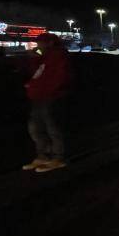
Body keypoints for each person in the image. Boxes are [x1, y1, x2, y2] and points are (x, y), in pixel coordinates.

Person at [22, 33, 72, 173]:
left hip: (50, 97)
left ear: (50, 43)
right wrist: (35, 56)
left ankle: (58, 157)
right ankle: (42, 155)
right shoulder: (44, 56)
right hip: (38, 97)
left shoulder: (59, 56)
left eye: (41, 43)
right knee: (36, 128)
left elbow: (61, 77)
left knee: (52, 127)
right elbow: (35, 70)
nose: (38, 45)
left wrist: (49, 90)